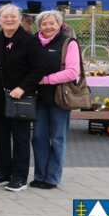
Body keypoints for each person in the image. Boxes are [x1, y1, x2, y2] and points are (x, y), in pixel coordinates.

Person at [0, 4, 46, 192]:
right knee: (0, 137)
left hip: (19, 98)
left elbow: (39, 68)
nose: (9, 20)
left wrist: (23, 87)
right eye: (5, 17)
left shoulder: (29, 41)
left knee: (20, 138)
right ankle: (3, 173)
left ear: (20, 19)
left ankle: (19, 177)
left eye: (13, 17)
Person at [32, 10, 79, 189]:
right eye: (44, 24)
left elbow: (73, 72)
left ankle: (52, 178)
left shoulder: (68, 43)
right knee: (38, 137)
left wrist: (46, 79)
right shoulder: (34, 42)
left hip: (60, 97)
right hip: (38, 97)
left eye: (52, 23)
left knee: (57, 138)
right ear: (39, 26)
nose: (48, 27)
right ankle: (39, 175)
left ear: (59, 24)